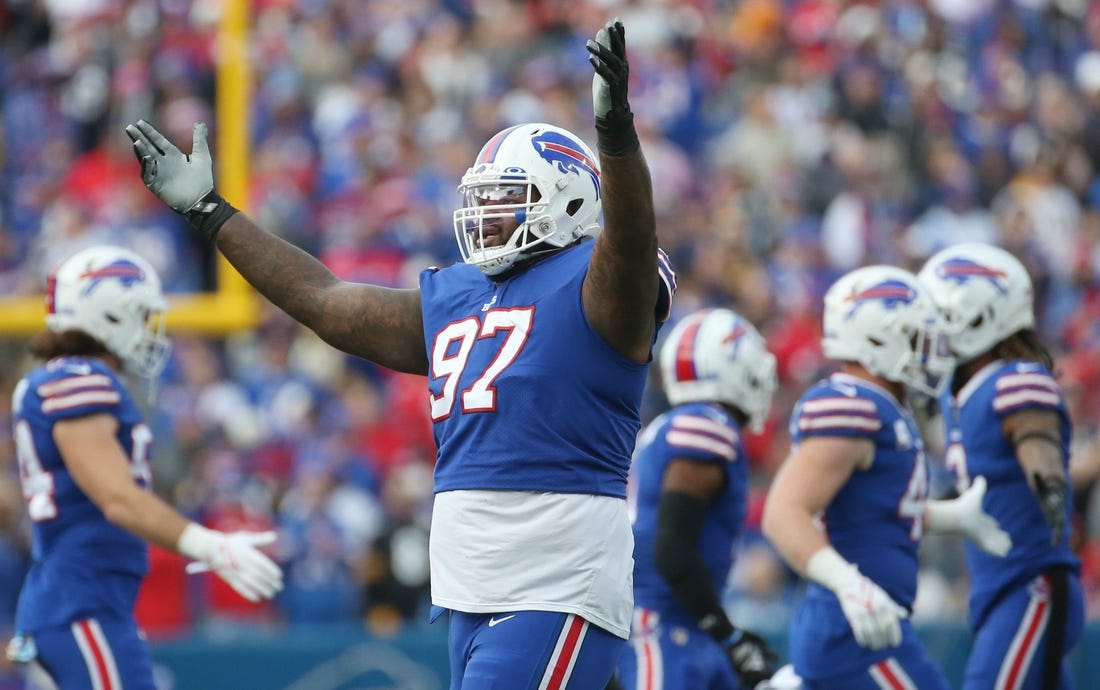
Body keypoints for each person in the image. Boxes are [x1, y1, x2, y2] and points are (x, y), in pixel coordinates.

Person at [126, 19, 676, 688]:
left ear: (566, 203)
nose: (486, 217)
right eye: (483, 202)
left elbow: (630, 239)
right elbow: (325, 301)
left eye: (507, 202)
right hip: (473, 589)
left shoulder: (599, 287)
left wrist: (615, 136)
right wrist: (212, 213)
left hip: (554, 581)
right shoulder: (460, 295)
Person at [6, 246, 283, 690]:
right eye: (140, 314)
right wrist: (209, 545)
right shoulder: (79, 379)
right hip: (81, 605)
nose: (150, 329)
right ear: (107, 313)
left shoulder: (70, 377)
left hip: (87, 603)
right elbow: (117, 498)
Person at [761, 265, 1012, 689]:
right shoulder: (855, 405)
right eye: (917, 336)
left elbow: (873, 507)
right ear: (878, 337)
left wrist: (949, 517)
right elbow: (784, 512)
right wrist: (849, 584)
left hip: (863, 627)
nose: (930, 349)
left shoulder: (883, 407)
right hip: (855, 633)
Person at [918, 243, 1084, 690]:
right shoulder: (959, 392)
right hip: (1001, 587)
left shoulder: (1016, 379)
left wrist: (1048, 483)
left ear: (978, 316)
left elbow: (1038, 443)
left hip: (1031, 584)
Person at [614, 308, 779, 690]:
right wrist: (728, 635)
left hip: (679, 623)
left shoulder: (669, 427)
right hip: (663, 625)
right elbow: (672, 551)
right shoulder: (706, 424)